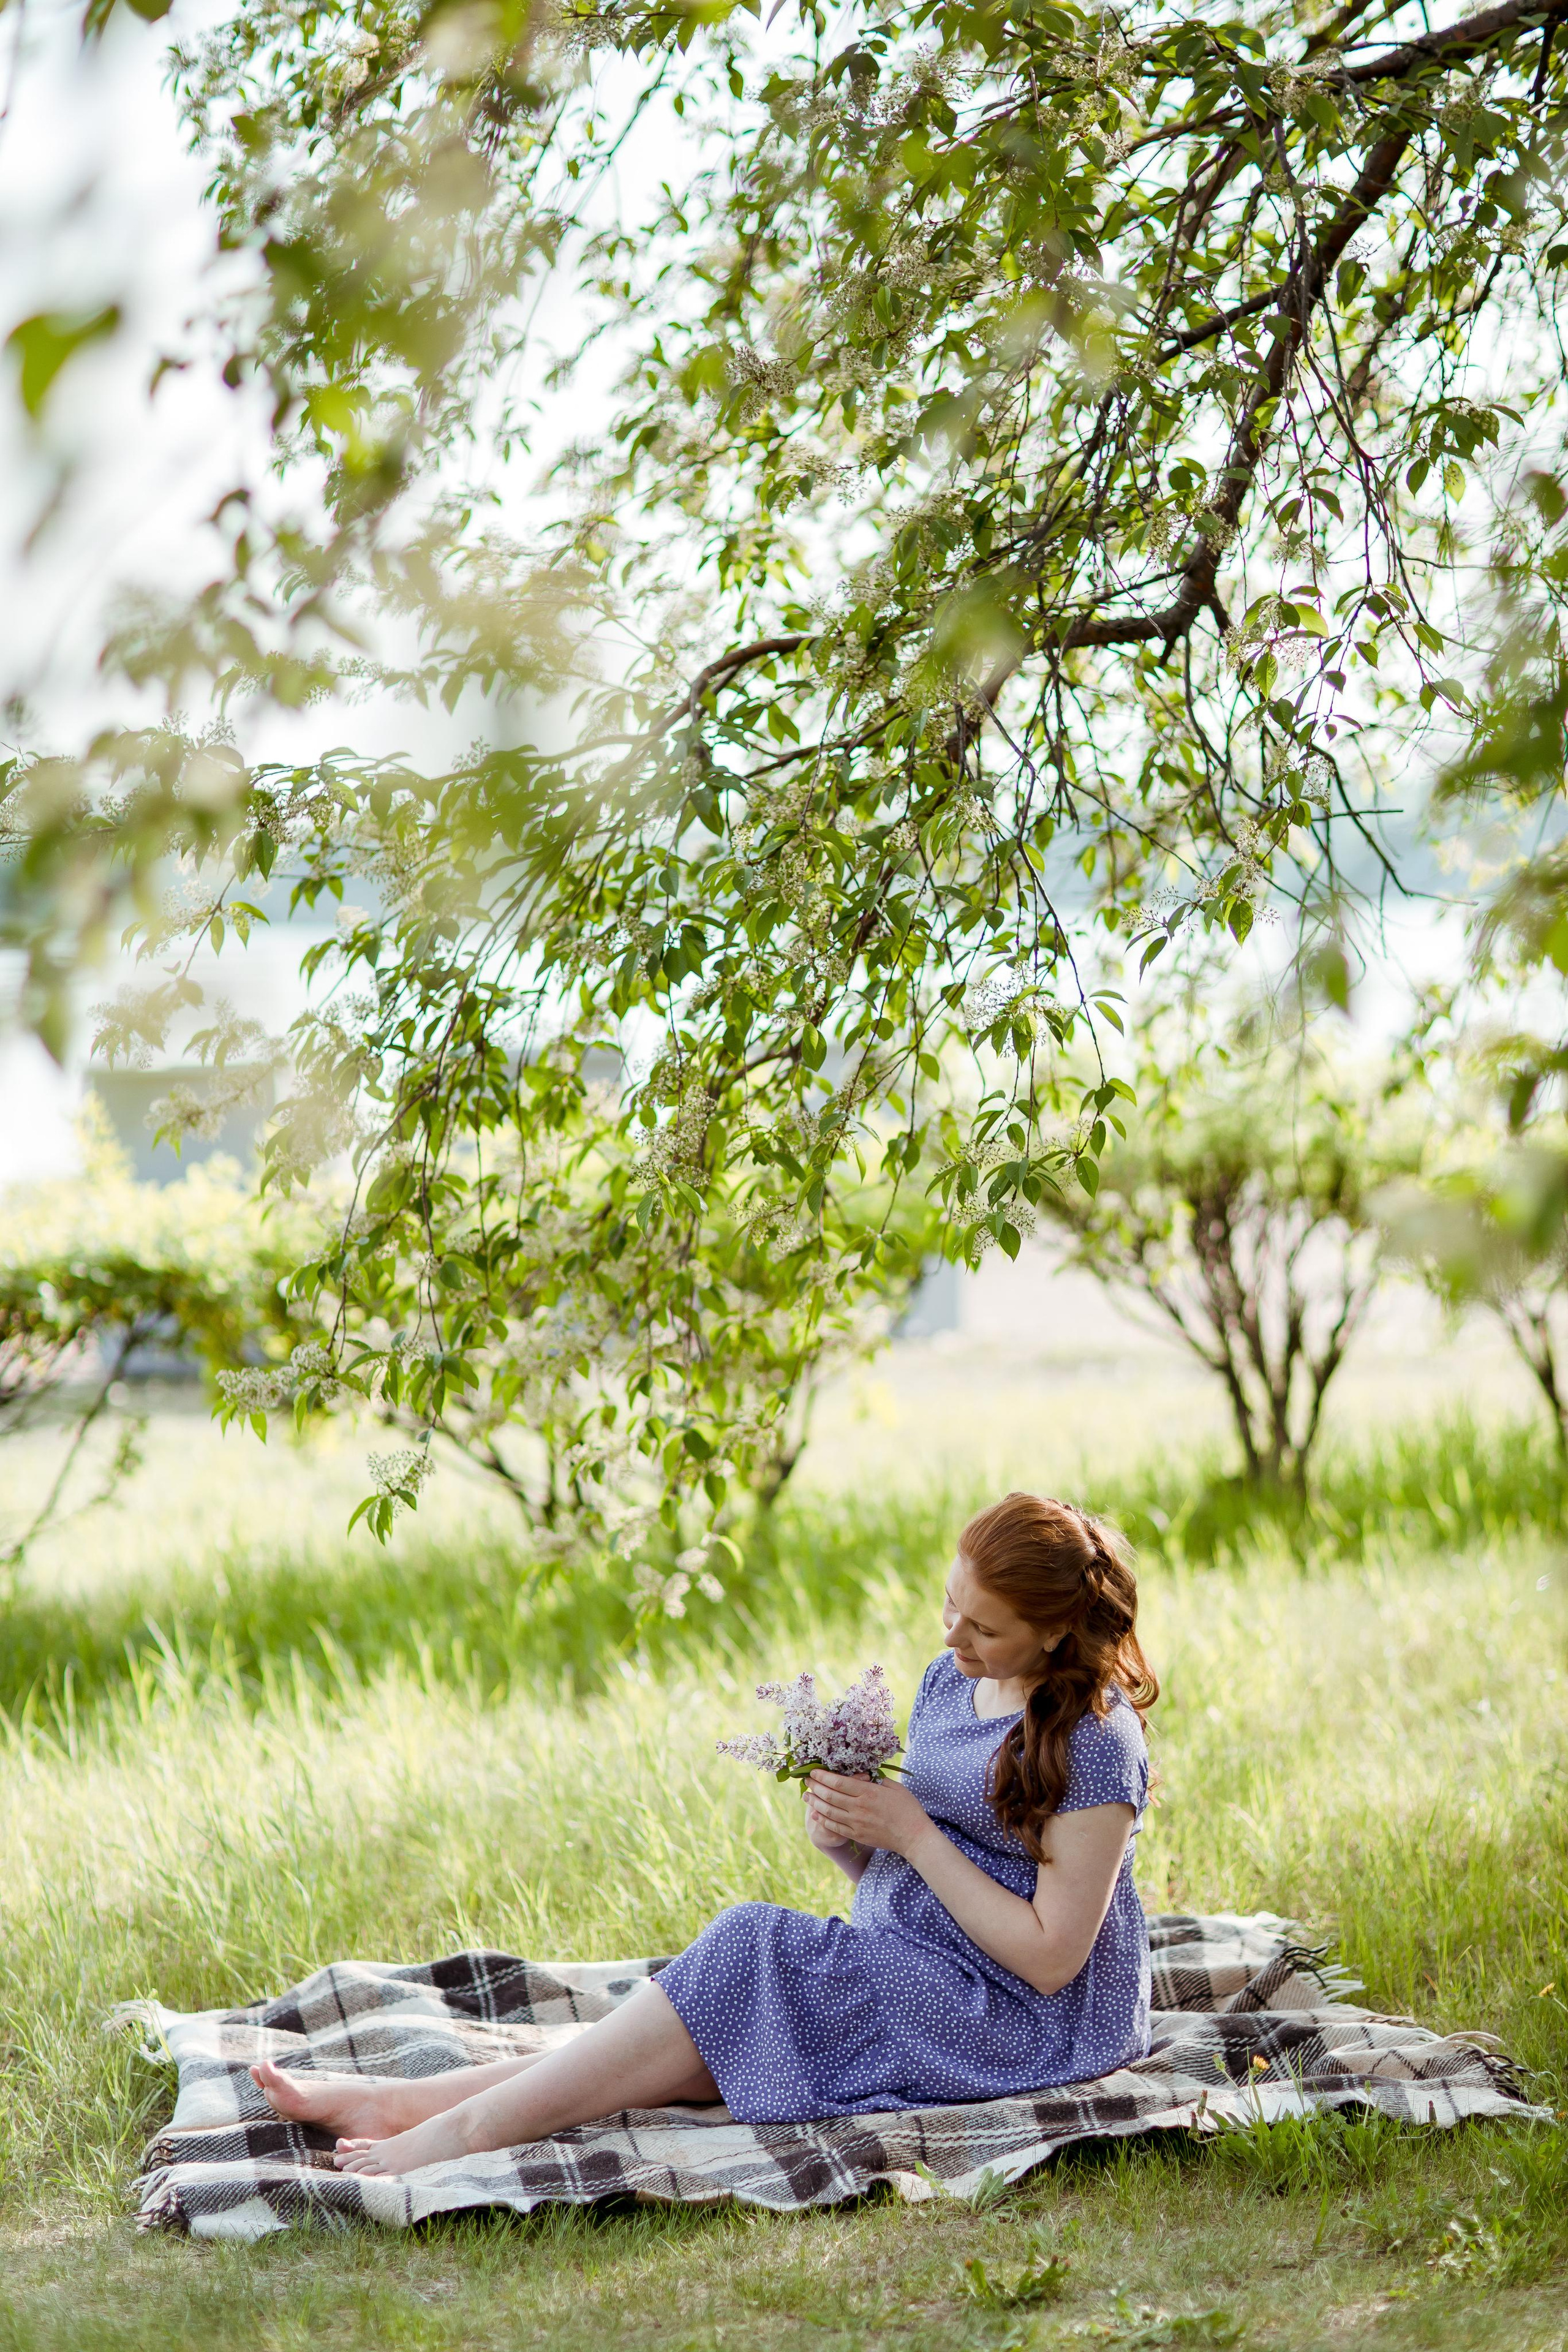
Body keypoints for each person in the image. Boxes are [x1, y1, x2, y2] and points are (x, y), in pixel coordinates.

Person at [251, 1491, 1158, 2176]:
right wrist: (852, 1836)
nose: (952, 1632)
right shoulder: (947, 1680)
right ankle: (399, 2101)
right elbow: (924, 1863)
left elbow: (1050, 1960)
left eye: (984, 1627)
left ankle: (465, 2132)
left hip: (1026, 2019)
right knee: (690, 2034)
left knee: (746, 1950)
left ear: (1054, 1634)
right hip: (923, 1965)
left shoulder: (1096, 1741)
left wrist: (913, 1836)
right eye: (949, 1604)